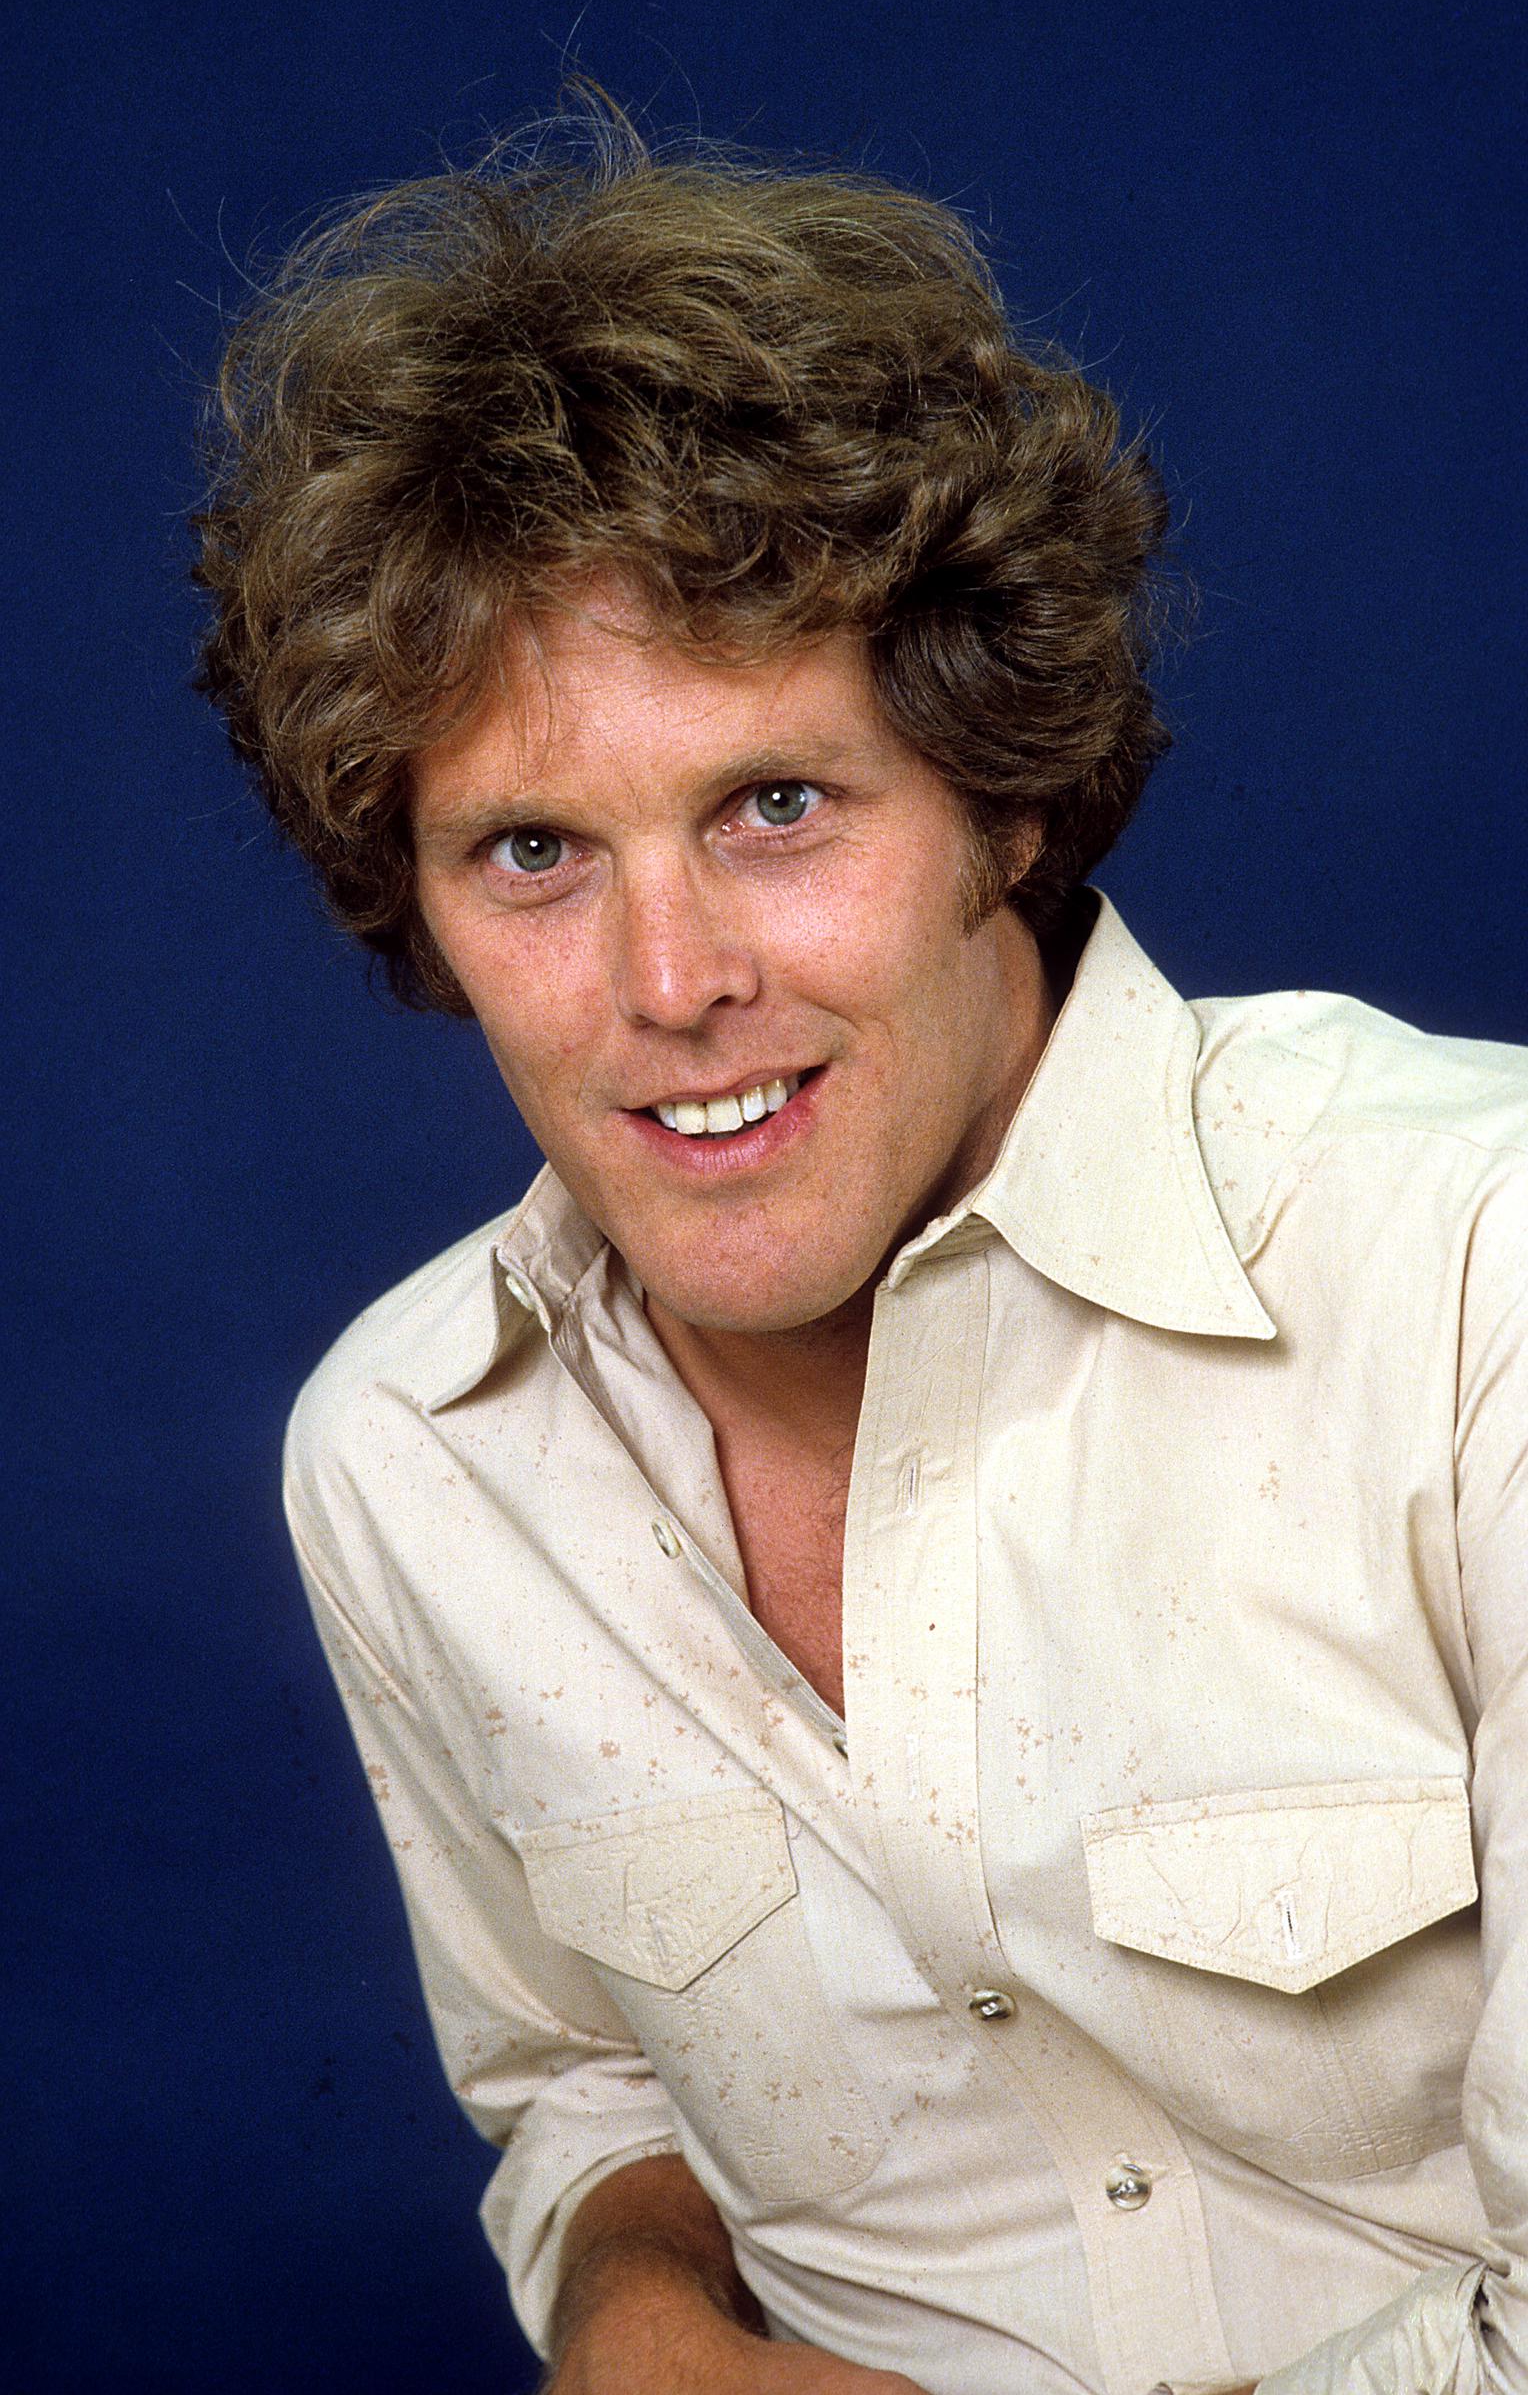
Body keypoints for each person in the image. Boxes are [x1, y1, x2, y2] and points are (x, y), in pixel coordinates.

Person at [195, 120, 1525, 2395]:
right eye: (530, 849)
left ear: (1000, 791)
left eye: (773, 806)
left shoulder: (1471, 1271)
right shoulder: (406, 1457)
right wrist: (628, 2311)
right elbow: (581, 2085)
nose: (668, 975)